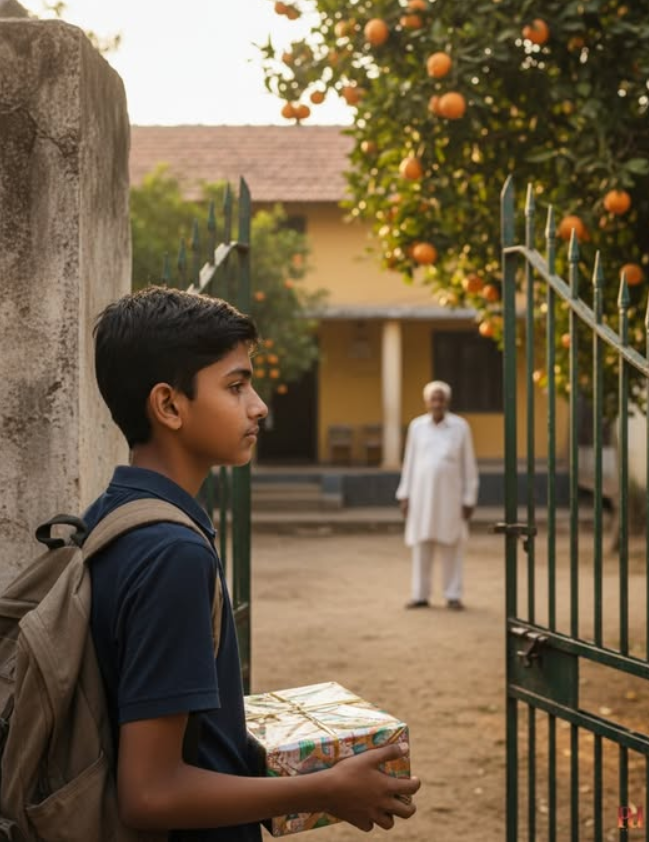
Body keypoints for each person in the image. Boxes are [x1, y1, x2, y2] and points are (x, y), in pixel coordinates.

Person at [84, 286, 420, 842]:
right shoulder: (173, 554)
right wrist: (324, 788)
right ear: (169, 405)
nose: (259, 405)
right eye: (236, 386)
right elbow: (149, 792)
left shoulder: (112, 513)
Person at [396, 380, 479, 611]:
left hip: (450, 498)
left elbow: (468, 465)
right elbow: (410, 463)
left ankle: (453, 595)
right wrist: (404, 495)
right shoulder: (417, 427)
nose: (437, 403)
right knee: (421, 544)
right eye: (433, 398)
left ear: (447, 401)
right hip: (421, 497)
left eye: (440, 398)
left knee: (451, 544)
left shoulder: (460, 427)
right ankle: (420, 595)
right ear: (426, 402)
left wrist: (469, 498)